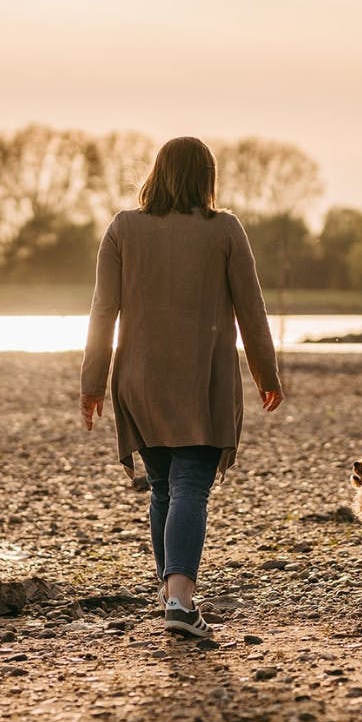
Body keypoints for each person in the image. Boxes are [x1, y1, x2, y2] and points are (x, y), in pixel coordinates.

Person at [80, 136, 284, 638]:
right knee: (190, 485)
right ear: (206, 178)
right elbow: (251, 311)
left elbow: (103, 311)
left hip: (138, 381)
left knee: (164, 488)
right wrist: (266, 374)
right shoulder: (225, 229)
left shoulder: (123, 228)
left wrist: (93, 384)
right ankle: (179, 600)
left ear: (158, 173)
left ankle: (171, 594)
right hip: (202, 378)